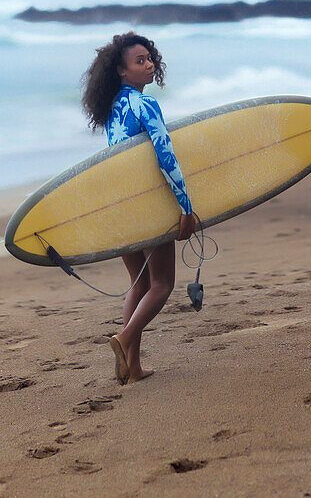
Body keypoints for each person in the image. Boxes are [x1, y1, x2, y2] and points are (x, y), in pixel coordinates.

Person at [81, 31, 196, 384]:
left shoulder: (112, 108)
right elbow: (165, 154)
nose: (149, 66)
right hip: (147, 203)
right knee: (161, 283)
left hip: (120, 205)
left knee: (138, 283)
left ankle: (131, 368)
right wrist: (185, 207)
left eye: (149, 59)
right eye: (140, 61)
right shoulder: (144, 105)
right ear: (121, 70)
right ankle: (124, 338)